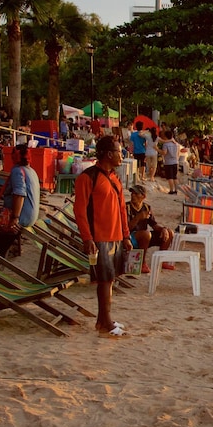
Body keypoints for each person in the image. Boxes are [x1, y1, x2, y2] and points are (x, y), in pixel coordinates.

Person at [74, 136, 132, 338]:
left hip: (115, 235)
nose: (121, 155)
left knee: (111, 278)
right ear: (108, 154)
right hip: (99, 237)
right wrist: (87, 238)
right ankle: (105, 321)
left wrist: (126, 235)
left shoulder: (115, 178)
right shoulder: (87, 177)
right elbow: (80, 211)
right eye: (118, 151)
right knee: (104, 281)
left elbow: (122, 209)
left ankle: (103, 319)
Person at [0, 144, 40, 257]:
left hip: (21, 218)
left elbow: (19, 195)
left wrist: (15, 218)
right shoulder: (32, 171)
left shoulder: (18, 171)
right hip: (31, 216)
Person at [126, 184, 174, 274]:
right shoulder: (127, 207)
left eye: (136, 194)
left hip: (144, 238)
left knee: (169, 232)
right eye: (132, 193)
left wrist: (164, 229)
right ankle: (142, 263)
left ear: (143, 196)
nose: (133, 195)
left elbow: (154, 225)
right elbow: (126, 228)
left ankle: (162, 261)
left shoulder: (147, 207)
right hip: (130, 237)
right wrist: (138, 218)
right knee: (146, 234)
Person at [159, 129, 181, 195]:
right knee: (175, 177)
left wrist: (158, 150)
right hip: (175, 161)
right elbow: (178, 153)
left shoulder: (166, 144)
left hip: (168, 162)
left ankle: (171, 190)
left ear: (166, 137)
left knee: (170, 177)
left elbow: (164, 152)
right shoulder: (176, 144)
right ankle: (176, 190)